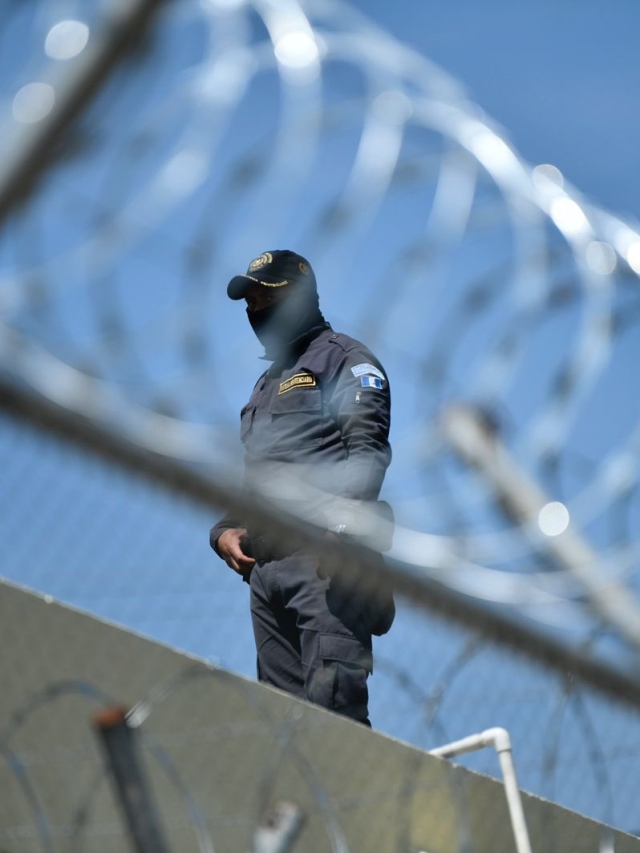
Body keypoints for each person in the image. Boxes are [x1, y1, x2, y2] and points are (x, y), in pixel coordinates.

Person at [209, 249, 395, 726]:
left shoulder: (344, 360)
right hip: (266, 570)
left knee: (333, 713)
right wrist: (226, 528)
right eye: (248, 302)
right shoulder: (265, 383)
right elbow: (260, 473)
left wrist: (342, 525)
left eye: (265, 297)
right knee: (283, 727)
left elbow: (367, 448)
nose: (255, 310)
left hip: (325, 563)